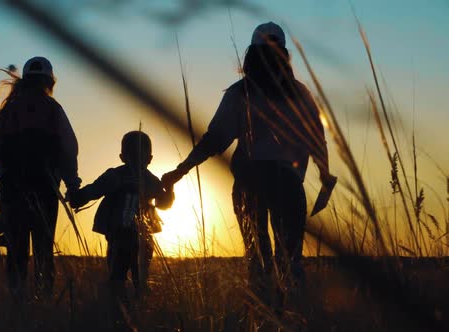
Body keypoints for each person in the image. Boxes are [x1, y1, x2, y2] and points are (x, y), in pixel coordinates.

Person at [162, 22, 334, 306]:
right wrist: (325, 177)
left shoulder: (239, 92)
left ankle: (262, 315)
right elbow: (317, 140)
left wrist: (180, 171)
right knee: (289, 262)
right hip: (286, 185)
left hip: (250, 182)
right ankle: (291, 316)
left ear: (251, 55)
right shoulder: (299, 94)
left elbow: (215, 139)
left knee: (259, 260)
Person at [0, 56, 81, 301]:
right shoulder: (53, 110)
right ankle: (43, 301)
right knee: (43, 250)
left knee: (16, 250)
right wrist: (72, 184)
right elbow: (69, 149)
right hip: (45, 192)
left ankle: (18, 301)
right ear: (50, 81)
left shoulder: (10, 112)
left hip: (11, 193)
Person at [69, 131, 174, 298]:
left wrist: (78, 197)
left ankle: (127, 305)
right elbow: (164, 204)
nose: (137, 159)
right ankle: (126, 305)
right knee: (125, 276)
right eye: (134, 154)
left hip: (135, 236)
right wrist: (79, 197)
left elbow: (93, 190)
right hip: (124, 235)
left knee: (128, 276)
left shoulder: (142, 179)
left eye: (139, 154)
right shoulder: (127, 177)